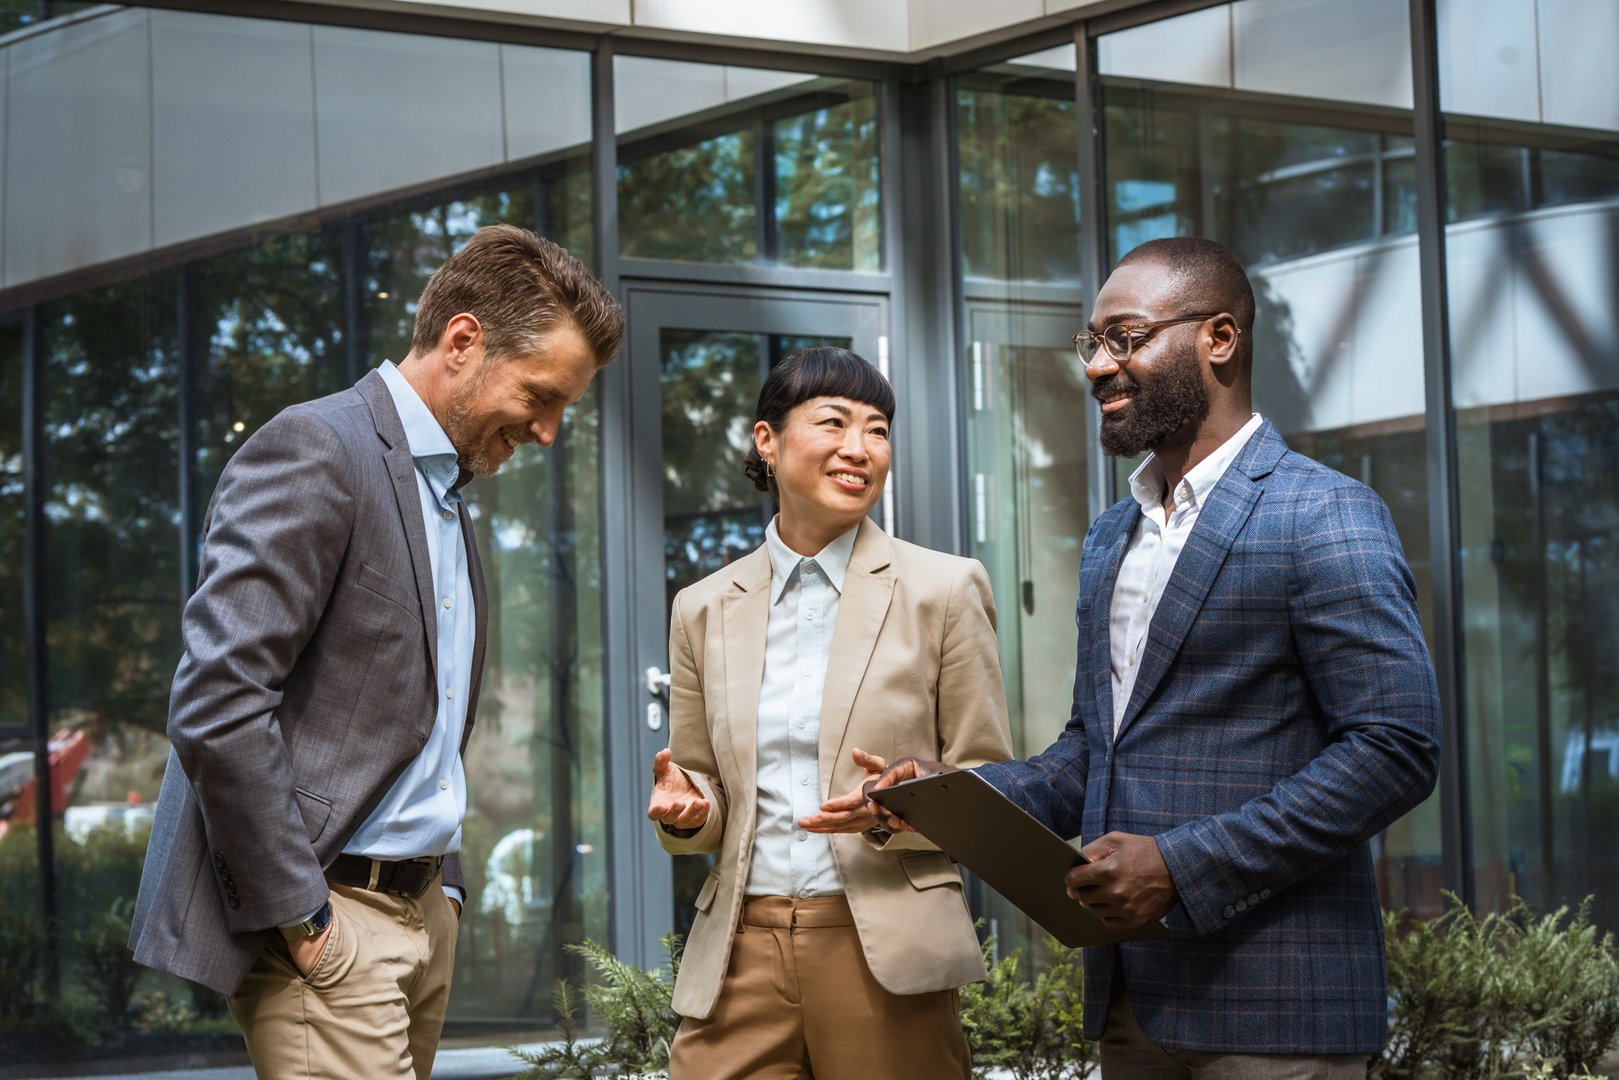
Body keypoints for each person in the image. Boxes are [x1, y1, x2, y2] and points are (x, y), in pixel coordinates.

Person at [871, 237, 1441, 1078]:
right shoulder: (1112, 536)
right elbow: (1089, 753)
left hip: (1277, 1008)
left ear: (1218, 338)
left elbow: (1394, 748)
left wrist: (1181, 865)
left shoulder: (1323, 512)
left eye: (1125, 338)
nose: (1099, 366)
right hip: (1132, 998)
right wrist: (944, 796)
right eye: (1092, 344)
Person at [129, 224, 624, 1079]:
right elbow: (217, 702)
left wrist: (448, 892)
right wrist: (304, 923)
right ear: (463, 341)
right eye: (541, 395)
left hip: (421, 912)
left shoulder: (446, 493)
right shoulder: (318, 448)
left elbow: (416, 721)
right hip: (329, 925)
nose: (548, 431)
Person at [646, 346, 1013, 1079]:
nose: (859, 448)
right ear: (767, 441)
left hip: (882, 945)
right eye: (834, 423)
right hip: (737, 951)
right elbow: (704, 790)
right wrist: (689, 814)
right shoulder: (702, 608)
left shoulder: (942, 589)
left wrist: (897, 807)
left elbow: (988, 783)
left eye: (877, 430)